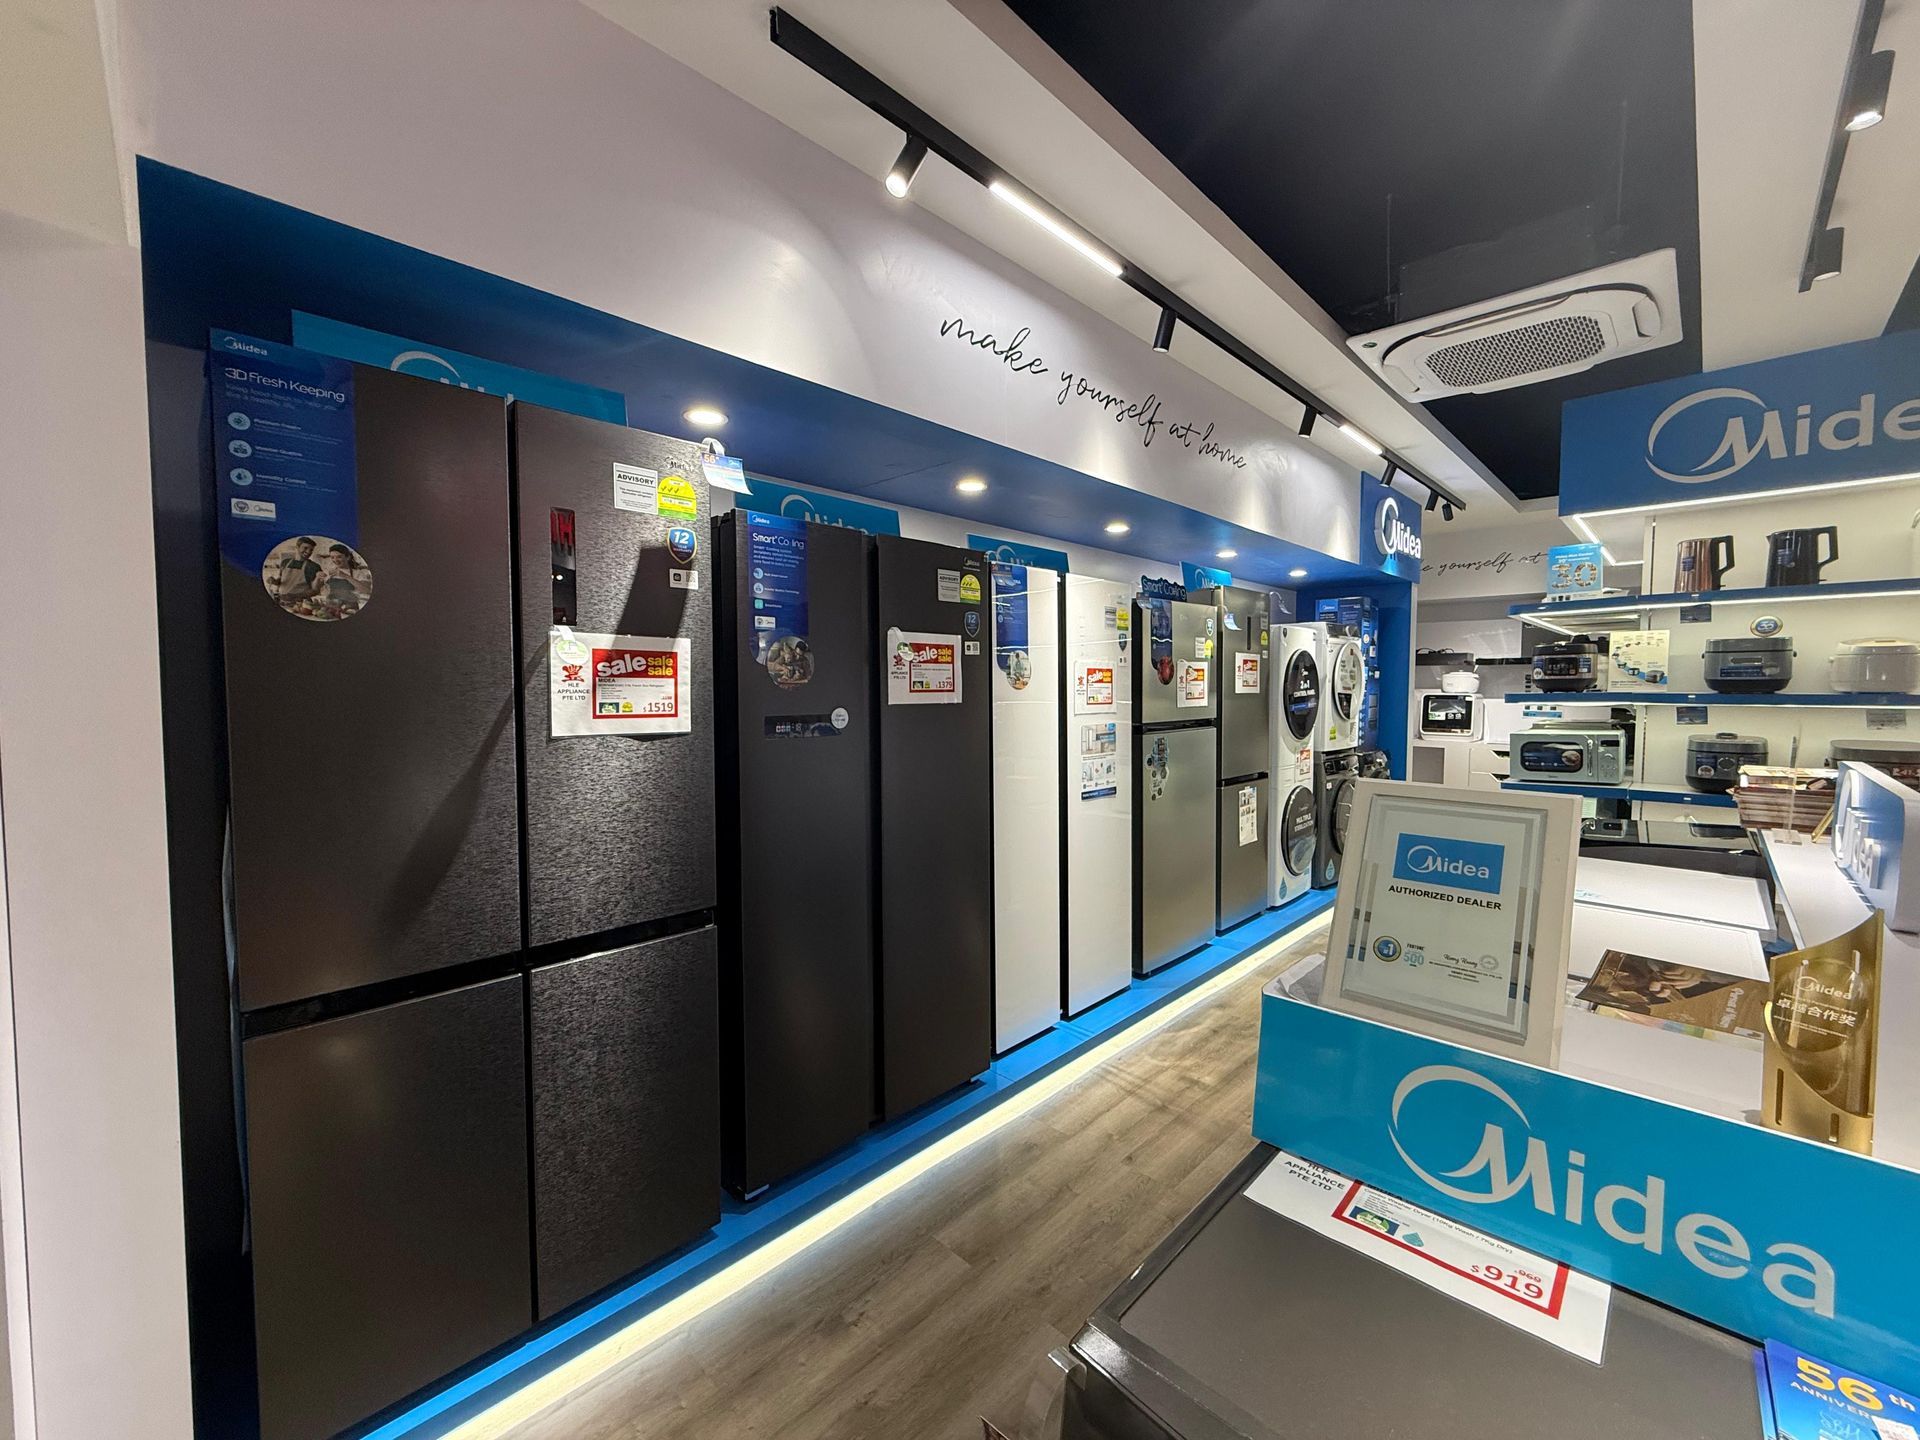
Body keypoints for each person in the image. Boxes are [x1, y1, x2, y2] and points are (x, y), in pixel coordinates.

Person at [313, 544, 369, 615]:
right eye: (332, 557)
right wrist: (317, 577)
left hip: (349, 610)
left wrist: (345, 576)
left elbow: (366, 590)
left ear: (348, 557)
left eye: (339, 557)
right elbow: (315, 588)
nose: (335, 560)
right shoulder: (329, 572)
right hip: (330, 609)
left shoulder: (358, 573)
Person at [272, 537, 319, 603]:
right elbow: (280, 580)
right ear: (297, 547)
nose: (308, 552)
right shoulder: (285, 562)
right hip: (282, 601)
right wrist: (274, 581)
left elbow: (316, 590)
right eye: (305, 548)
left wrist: (295, 596)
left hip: (301, 604)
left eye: (311, 550)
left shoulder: (314, 567)